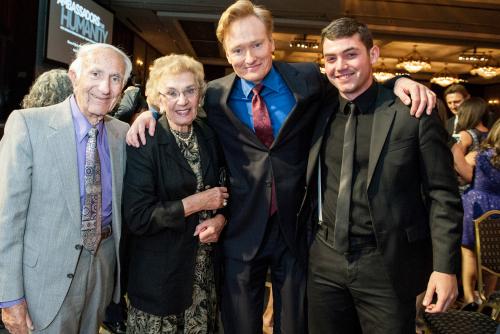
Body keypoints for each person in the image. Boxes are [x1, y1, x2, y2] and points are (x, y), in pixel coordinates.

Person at [126, 1, 436, 332]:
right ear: (227, 54)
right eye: (238, 50)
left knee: (296, 326)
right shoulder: (215, 95)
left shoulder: (305, 80)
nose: (249, 57)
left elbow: (352, 82)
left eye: (257, 44)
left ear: (272, 43)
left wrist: (398, 82)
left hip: (298, 231)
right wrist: (151, 113)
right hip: (240, 232)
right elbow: (179, 105)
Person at [304, 18, 462, 334]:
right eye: (331, 58)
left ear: (373, 55)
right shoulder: (318, 110)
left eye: (351, 54)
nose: (340, 66)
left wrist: (445, 268)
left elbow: (442, 194)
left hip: (386, 264)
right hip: (324, 261)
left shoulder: (415, 113)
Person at [0, 43, 131, 333]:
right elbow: (7, 219)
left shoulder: (123, 135)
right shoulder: (27, 125)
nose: (104, 88)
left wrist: (153, 114)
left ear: (123, 88)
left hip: (101, 269)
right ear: (74, 76)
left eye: (115, 78)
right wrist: (8, 296)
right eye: (95, 73)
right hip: (42, 281)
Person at [123, 54, 228, 334]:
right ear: (158, 98)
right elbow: (138, 217)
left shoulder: (208, 134)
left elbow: (223, 191)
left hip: (203, 279)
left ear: (199, 95)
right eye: (171, 92)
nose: (182, 101)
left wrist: (221, 220)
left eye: (189, 91)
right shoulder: (145, 140)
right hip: (159, 284)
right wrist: (195, 204)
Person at [460, 119, 500, 310]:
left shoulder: (480, 154)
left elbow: (461, 167)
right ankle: (488, 298)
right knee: (494, 254)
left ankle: (469, 298)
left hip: (476, 203)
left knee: (469, 253)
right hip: (498, 207)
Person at [451, 97, 490, 189]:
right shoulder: (490, 133)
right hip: (485, 183)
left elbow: (453, 161)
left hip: (467, 188)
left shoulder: (463, 134)